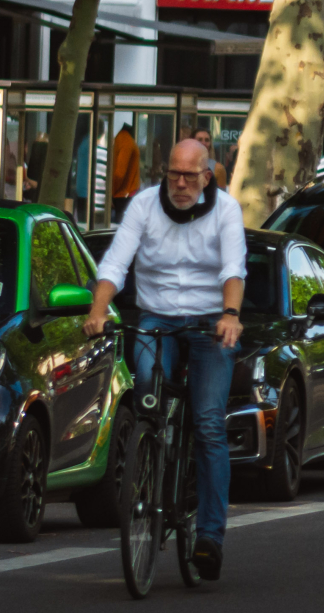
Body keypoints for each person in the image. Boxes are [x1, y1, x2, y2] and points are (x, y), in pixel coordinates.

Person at [84, 135, 246, 581]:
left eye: (189, 176)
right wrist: (98, 311)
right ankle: (151, 454)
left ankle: (210, 536)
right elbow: (116, 263)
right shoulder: (142, 206)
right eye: (172, 174)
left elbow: (233, 268)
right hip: (157, 318)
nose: (179, 183)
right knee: (147, 397)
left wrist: (231, 315)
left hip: (210, 321)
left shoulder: (226, 210)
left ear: (206, 176)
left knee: (210, 421)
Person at [108, 121, 141, 209]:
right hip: (124, 193)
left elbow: (119, 173)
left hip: (121, 193)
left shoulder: (120, 140)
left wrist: (110, 193)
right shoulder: (127, 141)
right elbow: (120, 173)